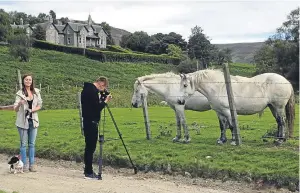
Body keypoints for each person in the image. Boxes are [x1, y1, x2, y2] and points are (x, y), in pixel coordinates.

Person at [1, 74, 43, 172]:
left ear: (32, 81)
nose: (28, 81)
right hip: (22, 122)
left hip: (33, 121)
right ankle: (23, 165)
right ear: (23, 81)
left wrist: (32, 110)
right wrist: (20, 103)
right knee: (23, 145)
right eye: (26, 79)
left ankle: (32, 165)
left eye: (30, 79)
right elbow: (15, 109)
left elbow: (40, 105)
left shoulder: (36, 92)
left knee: (32, 144)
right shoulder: (19, 93)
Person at [81, 76, 112, 179]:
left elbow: (95, 105)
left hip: (89, 121)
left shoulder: (89, 90)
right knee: (90, 147)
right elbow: (96, 108)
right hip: (91, 122)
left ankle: (87, 169)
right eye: (104, 87)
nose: (104, 89)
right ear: (101, 83)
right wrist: (105, 101)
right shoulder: (91, 92)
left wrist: (102, 97)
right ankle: (88, 172)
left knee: (89, 147)